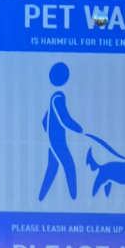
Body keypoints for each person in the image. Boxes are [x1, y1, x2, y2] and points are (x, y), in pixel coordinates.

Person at [39, 62, 84, 201]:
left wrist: (50, 134)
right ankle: (75, 199)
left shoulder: (53, 97)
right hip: (58, 141)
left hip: (54, 140)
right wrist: (78, 128)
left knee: (52, 167)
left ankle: (41, 198)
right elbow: (65, 118)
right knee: (69, 165)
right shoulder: (59, 97)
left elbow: (44, 120)